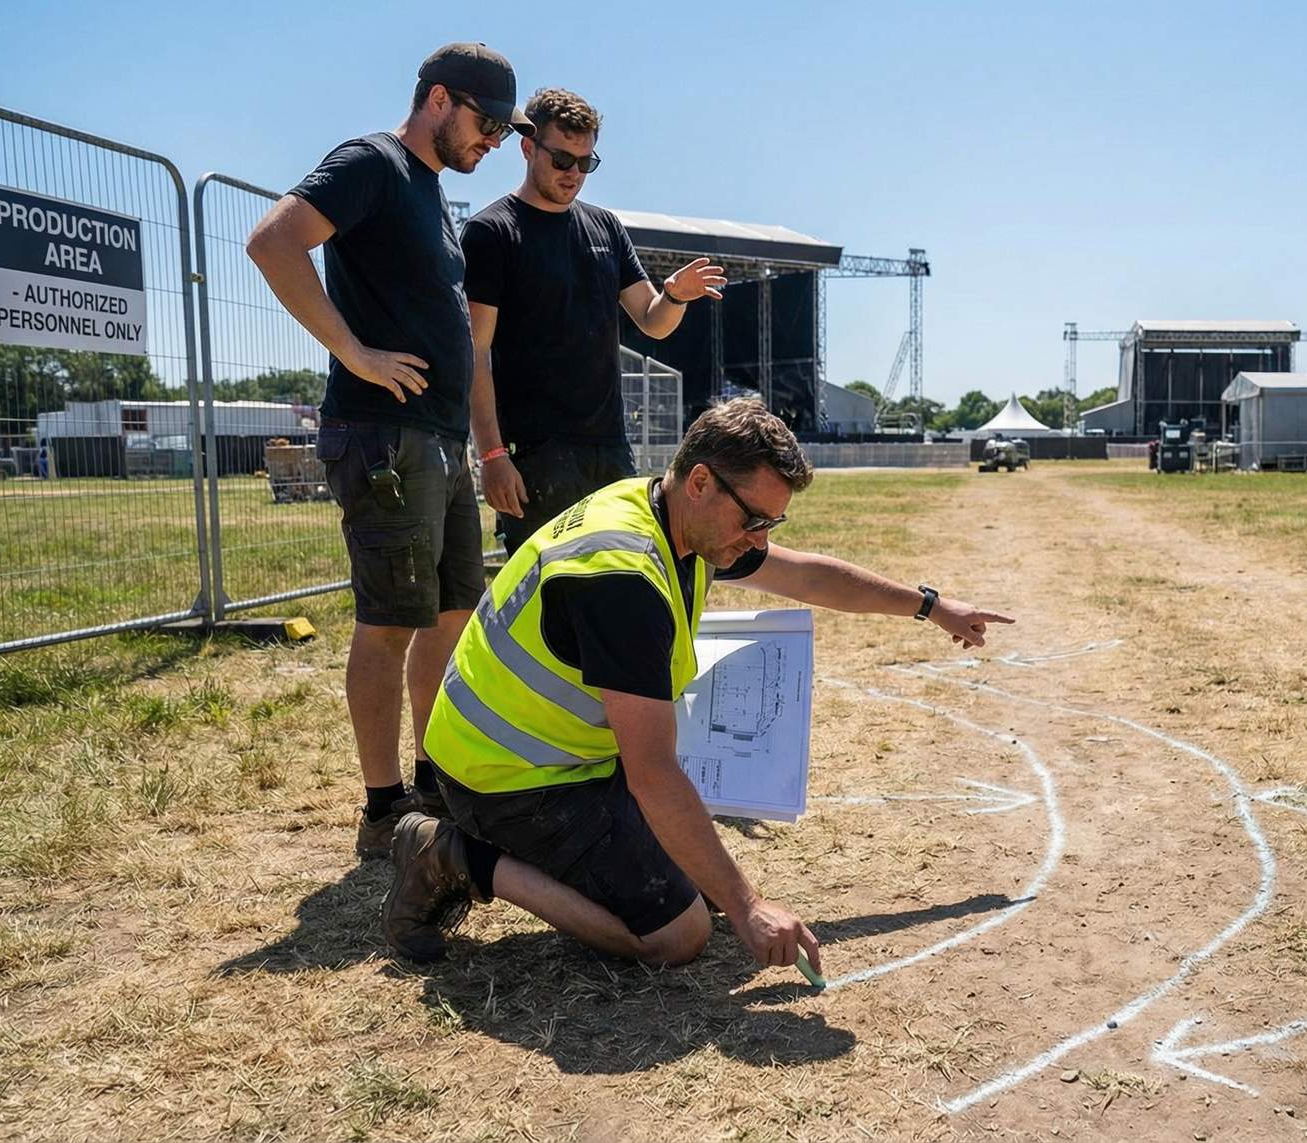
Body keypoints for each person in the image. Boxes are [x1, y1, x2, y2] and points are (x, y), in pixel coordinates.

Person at [382, 399, 1014, 974]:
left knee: (701, 879)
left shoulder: (675, 515)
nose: (761, 539)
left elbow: (811, 579)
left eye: (773, 521)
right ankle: (453, 854)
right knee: (679, 936)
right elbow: (652, 773)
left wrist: (930, 606)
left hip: (561, 756)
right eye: (756, 519)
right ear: (702, 481)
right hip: (504, 778)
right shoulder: (622, 578)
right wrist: (750, 907)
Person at [246, 43, 535, 860]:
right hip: (383, 436)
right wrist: (353, 352)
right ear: (440, 101)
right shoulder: (370, 161)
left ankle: (431, 781)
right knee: (387, 624)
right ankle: (383, 810)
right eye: (485, 124)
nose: (491, 143)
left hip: (435, 440)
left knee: (448, 616)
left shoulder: (432, 192)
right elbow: (274, 241)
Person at [461, 87, 727, 555]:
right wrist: (493, 454)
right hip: (535, 455)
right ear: (528, 147)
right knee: (549, 595)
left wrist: (674, 295)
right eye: (563, 160)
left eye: (587, 163)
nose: (574, 175)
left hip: (609, 449)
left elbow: (652, 321)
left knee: (616, 581)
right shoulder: (492, 231)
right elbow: (475, 352)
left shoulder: (605, 226)